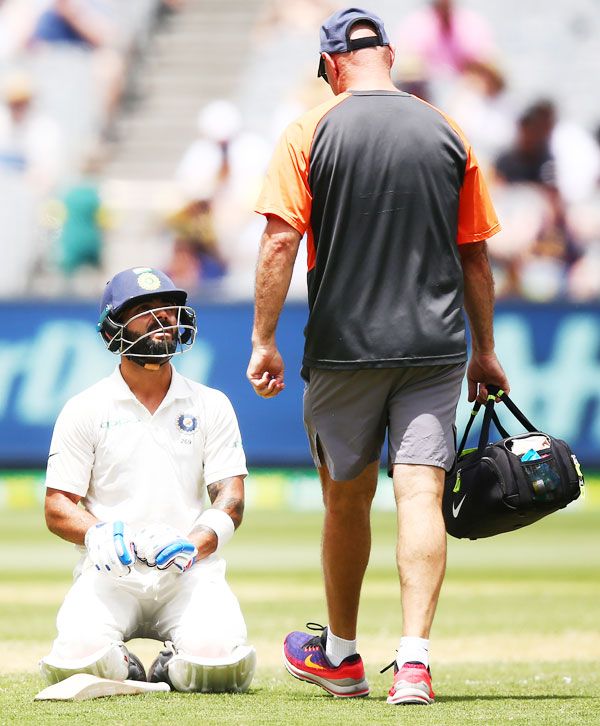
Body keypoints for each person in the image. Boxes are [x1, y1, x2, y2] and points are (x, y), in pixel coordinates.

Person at [246, 7, 509, 706]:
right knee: (420, 492)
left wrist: (263, 339)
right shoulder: (447, 129)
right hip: (434, 347)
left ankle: (340, 655)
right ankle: (415, 662)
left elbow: (277, 243)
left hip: (344, 348)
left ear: (333, 65)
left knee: (346, 499)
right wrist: (485, 351)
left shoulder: (310, 128)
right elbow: (475, 255)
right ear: (388, 55)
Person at [40, 267, 256, 693]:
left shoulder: (211, 404)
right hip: (111, 572)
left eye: (168, 308)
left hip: (188, 572)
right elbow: (57, 505)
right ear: (113, 329)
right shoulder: (85, 408)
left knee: (221, 666)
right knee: (76, 658)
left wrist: (194, 544)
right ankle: (121, 661)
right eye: (144, 310)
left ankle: (170, 663)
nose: (162, 318)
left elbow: (231, 498)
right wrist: (98, 534)